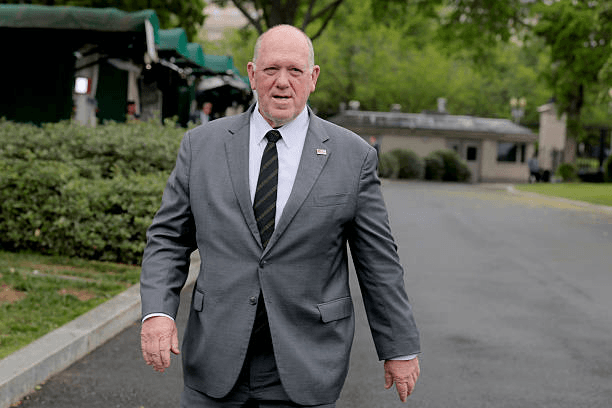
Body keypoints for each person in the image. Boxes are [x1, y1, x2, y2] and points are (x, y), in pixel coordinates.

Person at [140, 25, 420, 408]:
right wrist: (158, 312)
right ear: (252, 74)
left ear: (313, 77)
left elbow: (378, 263)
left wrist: (399, 347)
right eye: (271, 70)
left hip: (306, 362)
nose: (282, 82)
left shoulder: (353, 157)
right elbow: (168, 240)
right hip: (215, 358)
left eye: (295, 71)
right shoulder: (201, 146)